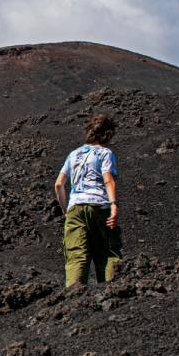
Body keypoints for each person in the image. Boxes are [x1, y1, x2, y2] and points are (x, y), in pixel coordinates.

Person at [54, 114, 121, 286]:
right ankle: (111, 290)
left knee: (76, 254)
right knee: (107, 252)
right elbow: (108, 180)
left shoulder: (73, 154)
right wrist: (114, 205)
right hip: (99, 205)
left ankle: (73, 295)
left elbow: (59, 184)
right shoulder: (105, 153)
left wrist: (66, 211)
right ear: (107, 134)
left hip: (75, 207)